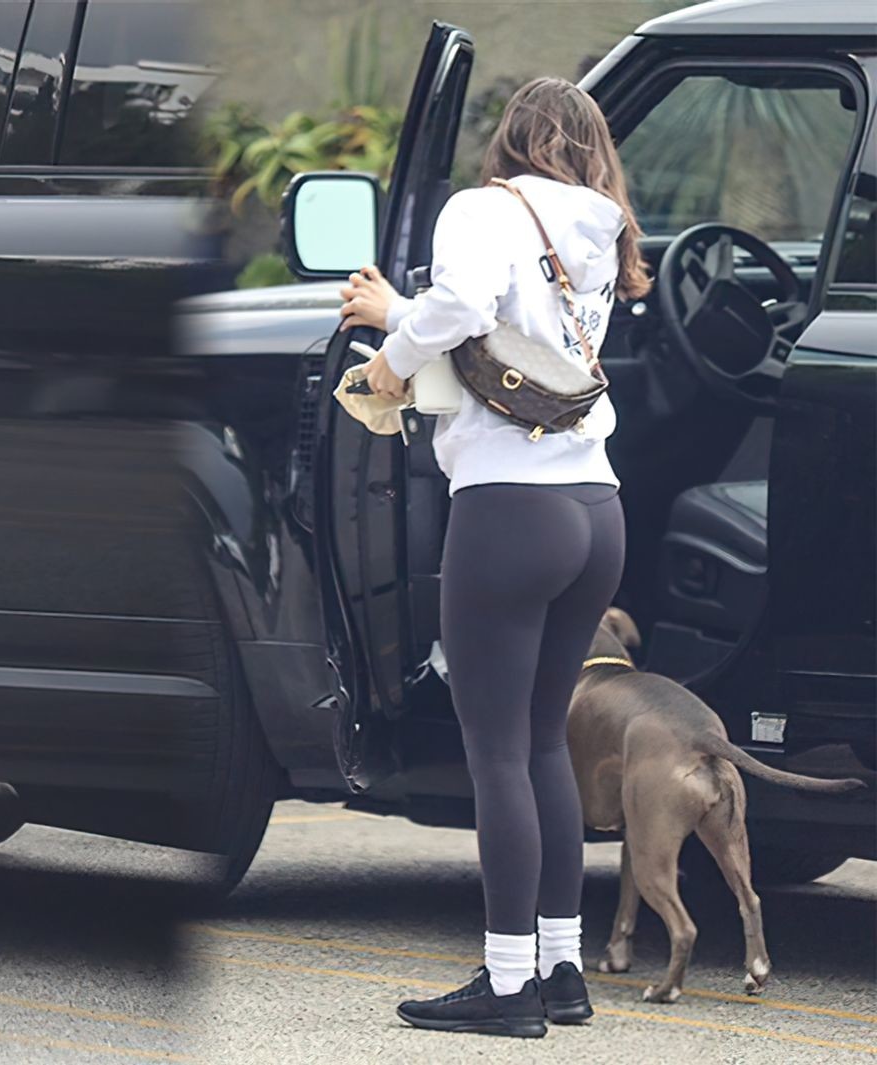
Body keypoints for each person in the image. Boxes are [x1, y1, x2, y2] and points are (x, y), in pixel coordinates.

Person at [339, 77, 648, 1038]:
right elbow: (510, 335)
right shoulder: (599, 226)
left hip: (510, 510)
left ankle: (508, 984)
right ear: (591, 147)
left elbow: (467, 306)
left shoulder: (483, 208)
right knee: (543, 741)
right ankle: (562, 968)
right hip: (595, 505)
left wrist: (389, 359)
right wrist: (405, 310)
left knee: (496, 752)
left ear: (511, 137)